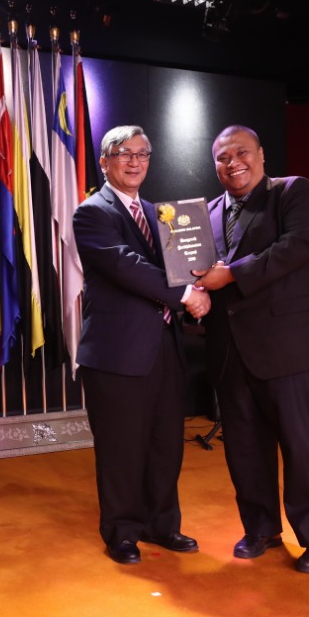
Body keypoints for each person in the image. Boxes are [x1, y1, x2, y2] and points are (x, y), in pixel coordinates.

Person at [194, 124, 309, 573]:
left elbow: (302, 244)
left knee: (304, 445)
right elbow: (196, 273)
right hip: (230, 350)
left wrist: (231, 274)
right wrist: (192, 292)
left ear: (260, 155)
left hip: (290, 348)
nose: (233, 162)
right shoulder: (205, 214)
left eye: (242, 152)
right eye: (223, 157)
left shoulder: (292, 192)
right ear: (215, 166)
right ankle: (261, 529)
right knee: (244, 447)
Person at [72, 125, 210, 565]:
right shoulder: (91, 213)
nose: (134, 161)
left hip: (165, 346)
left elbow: (184, 264)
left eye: (142, 153)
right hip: (116, 353)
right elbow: (126, 265)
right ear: (104, 161)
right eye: (123, 153)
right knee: (121, 448)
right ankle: (122, 531)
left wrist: (203, 276)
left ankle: (162, 524)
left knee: (165, 443)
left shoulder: (159, 213)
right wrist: (187, 294)